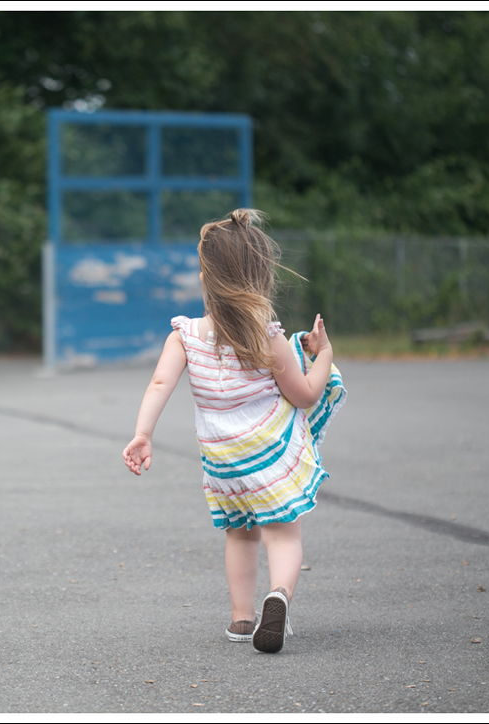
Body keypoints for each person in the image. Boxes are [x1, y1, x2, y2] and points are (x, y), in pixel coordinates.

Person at [122, 208, 346, 653]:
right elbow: (305, 395)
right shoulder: (268, 337)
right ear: (261, 277)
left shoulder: (184, 336)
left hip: (223, 460)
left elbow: (159, 384)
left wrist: (143, 433)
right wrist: (323, 356)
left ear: (205, 277)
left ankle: (242, 619)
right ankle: (278, 595)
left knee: (240, 534)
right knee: (282, 533)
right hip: (269, 455)